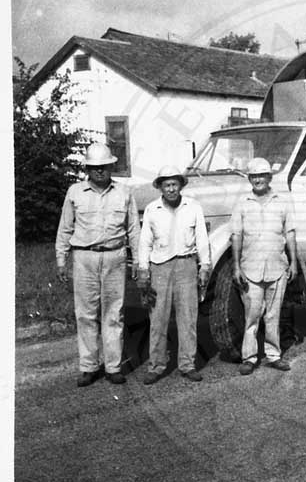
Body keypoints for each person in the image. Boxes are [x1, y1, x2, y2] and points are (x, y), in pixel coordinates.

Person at [55, 142, 141, 387]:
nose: (100, 170)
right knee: (85, 314)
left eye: (104, 166)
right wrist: (61, 260)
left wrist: (137, 260)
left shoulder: (124, 192)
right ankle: (89, 366)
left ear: (111, 166)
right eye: (94, 167)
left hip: (115, 257)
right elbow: (65, 228)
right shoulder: (75, 192)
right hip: (84, 258)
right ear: (87, 169)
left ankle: (113, 367)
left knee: (114, 313)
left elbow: (134, 229)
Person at [137, 165, 211, 385]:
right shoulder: (152, 209)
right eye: (166, 185)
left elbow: (202, 238)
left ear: (180, 185)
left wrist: (205, 266)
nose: (171, 189)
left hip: (187, 265)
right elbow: (145, 242)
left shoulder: (193, 206)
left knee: (188, 318)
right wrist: (143, 269)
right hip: (159, 267)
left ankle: (187, 364)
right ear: (160, 187)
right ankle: (156, 365)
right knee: (158, 319)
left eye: (174, 184)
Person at [230, 157, 298, 376]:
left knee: (273, 315)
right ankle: (249, 358)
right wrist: (236, 267)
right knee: (252, 316)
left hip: (277, 267)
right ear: (249, 179)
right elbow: (236, 236)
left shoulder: (282, 202)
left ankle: (274, 355)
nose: (258, 180)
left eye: (262, 176)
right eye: (254, 176)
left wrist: (294, 262)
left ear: (269, 177)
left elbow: (290, 234)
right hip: (250, 269)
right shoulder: (242, 204)